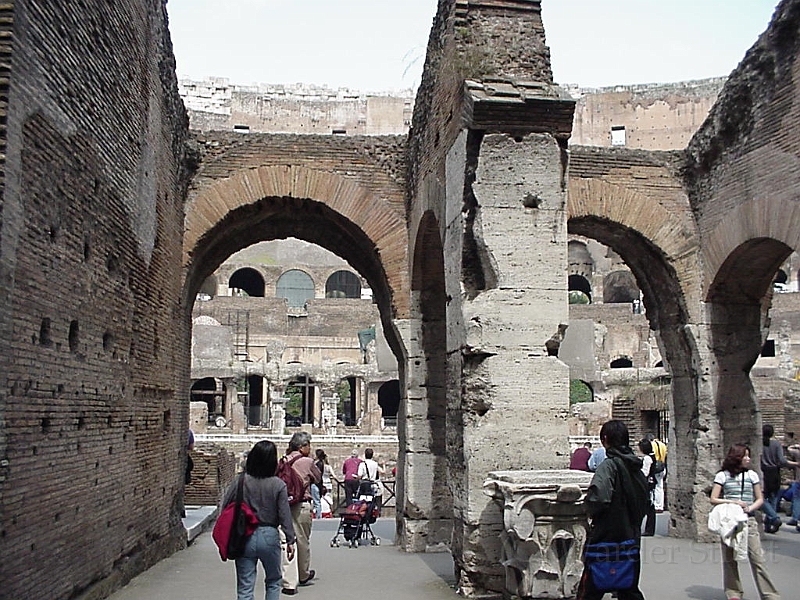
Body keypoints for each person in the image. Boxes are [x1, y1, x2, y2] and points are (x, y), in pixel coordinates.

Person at [577, 420, 649, 600]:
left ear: (605, 439)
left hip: (607, 536)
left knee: (592, 586)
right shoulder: (636, 467)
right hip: (630, 533)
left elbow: (598, 498)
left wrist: (588, 510)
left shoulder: (608, 466)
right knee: (628, 585)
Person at [219, 440, 296, 600]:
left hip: (244, 534)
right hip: (269, 534)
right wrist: (290, 540)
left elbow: (225, 506)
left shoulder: (240, 481)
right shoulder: (278, 485)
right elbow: (285, 515)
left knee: (245, 586)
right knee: (274, 581)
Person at [710, 443, 781, 600]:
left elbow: (760, 498)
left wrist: (750, 508)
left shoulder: (752, 475)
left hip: (748, 521)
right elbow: (713, 499)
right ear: (737, 457)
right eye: (745, 456)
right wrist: (734, 503)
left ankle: (770, 595)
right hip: (729, 522)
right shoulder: (722, 476)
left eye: (748, 455)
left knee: (757, 559)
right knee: (729, 560)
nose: (748, 459)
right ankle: (733, 592)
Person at [280, 432, 320, 596]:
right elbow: (317, 478)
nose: (310, 448)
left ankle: (289, 581)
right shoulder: (308, 461)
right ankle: (303, 574)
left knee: (286, 541)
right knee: (302, 540)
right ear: (302, 447)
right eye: (308, 445)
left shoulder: (283, 460)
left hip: (283, 505)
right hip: (302, 504)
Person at [760, 424, 797, 533]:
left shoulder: (759, 444)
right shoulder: (776, 444)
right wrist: (795, 464)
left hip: (763, 472)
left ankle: (773, 519)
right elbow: (781, 460)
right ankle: (772, 520)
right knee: (773, 498)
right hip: (774, 473)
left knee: (762, 498)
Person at [637, 439, 657, 537]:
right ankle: (649, 529)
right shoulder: (652, 456)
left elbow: (645, 472)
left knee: (646, 507)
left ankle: (648, 529)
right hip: (651, 483)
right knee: (650, 508)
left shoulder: (647, 459)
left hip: (647, 485)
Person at [645, 434, 667, 512]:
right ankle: (660, 505)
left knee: (654, 487)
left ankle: (655, 505)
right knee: (660, 487)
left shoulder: (652, 445)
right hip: (662, 466)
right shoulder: (663, 445)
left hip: (655, 467)